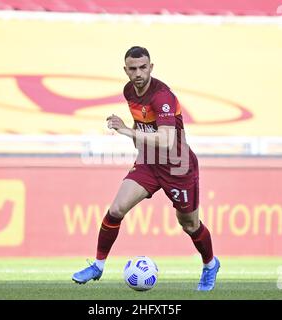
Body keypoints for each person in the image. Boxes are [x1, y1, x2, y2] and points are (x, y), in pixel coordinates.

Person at [72, 46, 220, 291]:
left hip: (178, 166)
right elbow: (141, 124)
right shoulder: (129, 90)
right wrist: (134, 139)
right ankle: (98, 265)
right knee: (116, 209)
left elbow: (166, 140)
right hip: (149, 162)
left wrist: (127, 131)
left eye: (143, 67)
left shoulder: (162, 97)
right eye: (133, 68)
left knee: (190, 225)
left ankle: (210, 264)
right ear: (125, 70)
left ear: (151, 67)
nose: (138, 73)